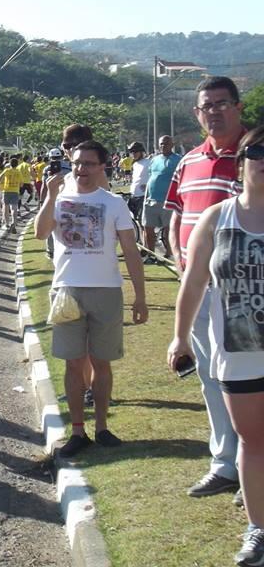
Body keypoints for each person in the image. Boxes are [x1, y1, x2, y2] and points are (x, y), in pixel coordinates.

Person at [167, 126, 264, 567]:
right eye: (258, 151)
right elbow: (193, 282)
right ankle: (258, 529)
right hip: (238, 353)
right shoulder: (217, 218)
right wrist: (180, 335)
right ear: (242, 160)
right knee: (252, 442)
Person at [35, 140, 147, 458]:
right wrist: (50, 194)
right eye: (77, 163)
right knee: (73, 364)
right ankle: (77, 431)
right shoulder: (59, 198)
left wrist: (140, 297)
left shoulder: (113, 203)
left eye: (89, 164)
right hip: (67, 290)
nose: (82, 169)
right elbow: (41, 233)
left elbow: (130, 251)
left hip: (106, 291)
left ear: (103, 166)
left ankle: (102, 427)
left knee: (102, 362)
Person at [164, 75, 245, 499]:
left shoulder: (253, 156)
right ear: (197, 114)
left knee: (248, 379)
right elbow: (177, 211)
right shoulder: (189, 160)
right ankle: (225, 463)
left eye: (221, 103)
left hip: (242, 289)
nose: (213, 110)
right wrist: (180, 257)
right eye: (205, 105)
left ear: (237, 106)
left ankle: (252, 466)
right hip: (197, 286)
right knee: (212, 376)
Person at [142, 135, 180, 262]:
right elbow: (150, 177)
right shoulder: (154, 160)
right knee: (148, 228)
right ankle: (150, 254)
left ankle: (169, 254)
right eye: (161, 144)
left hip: (168, 201)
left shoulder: (178, 160)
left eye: (166, 143)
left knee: (168, 229)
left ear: (172, 145)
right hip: (151, 200)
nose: (163, 146)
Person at [126, 141, 150, 227]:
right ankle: (141, 239)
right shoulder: (135, 164)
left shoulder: (148, 162)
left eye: (136, 151)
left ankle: (146, 240)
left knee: (143, 221)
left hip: (143, 196)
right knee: (136, 221)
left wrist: (148, 185)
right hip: (134, 195)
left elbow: (154, 176)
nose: (133, 154)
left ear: (141, 151)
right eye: (132, 152)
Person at [0, 157, 23, 233]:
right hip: (15, 191)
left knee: (5, 207)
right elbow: (21, 184)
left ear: (10, 164)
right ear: (17, 164)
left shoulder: (6, 170)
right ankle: (14, 223)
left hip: (6, 190)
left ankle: (7, 224)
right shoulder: (18, 172)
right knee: (14, 208)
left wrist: (1, 184)